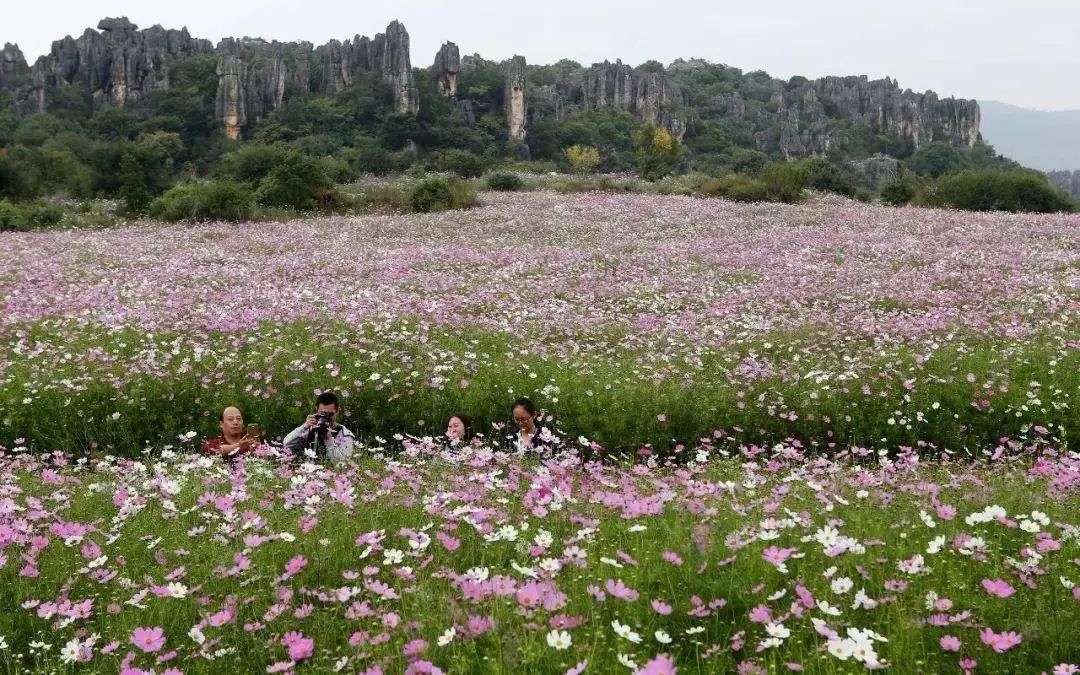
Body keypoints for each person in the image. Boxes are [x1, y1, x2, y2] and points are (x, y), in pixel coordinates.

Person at [282, 391, 355, 462]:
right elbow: (286, 444)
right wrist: (304, 427)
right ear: (316, 409)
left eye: (330, 414)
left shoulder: (344, 434)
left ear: (337, 410)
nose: (327, 418)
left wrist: (329, 440)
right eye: (322, 413)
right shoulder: (310, 428)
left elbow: (343, 462)